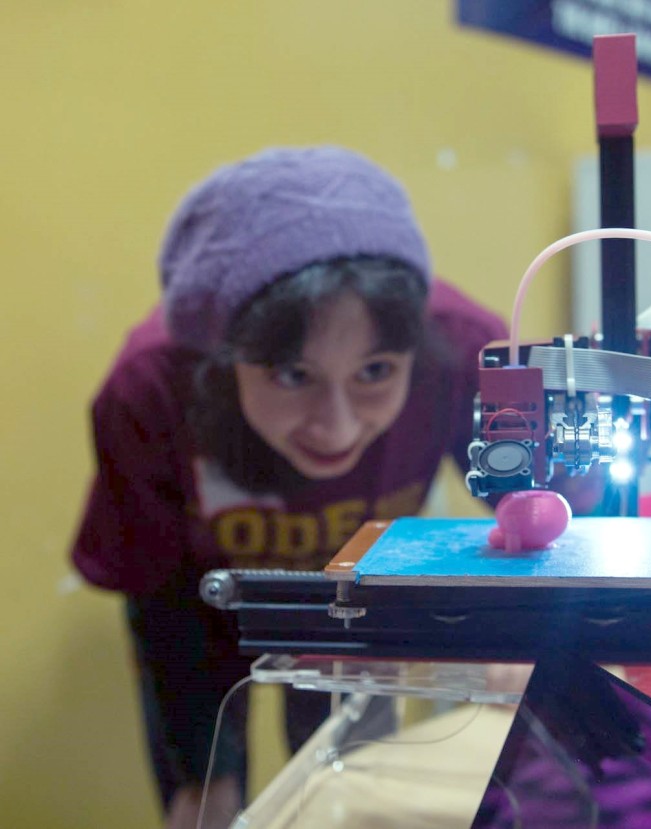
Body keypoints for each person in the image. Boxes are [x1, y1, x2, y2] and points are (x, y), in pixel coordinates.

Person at [69, 146, 517, 828]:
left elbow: (539, 517)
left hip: (360, 612)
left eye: (374, 372)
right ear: (222, 363)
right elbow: (161, 605)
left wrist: (521, 636)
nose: (336, 427)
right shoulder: (149, 388)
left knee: (360, 792)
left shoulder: (465, 349)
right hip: (203, 618)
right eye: (292, 375)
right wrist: (203, 773)